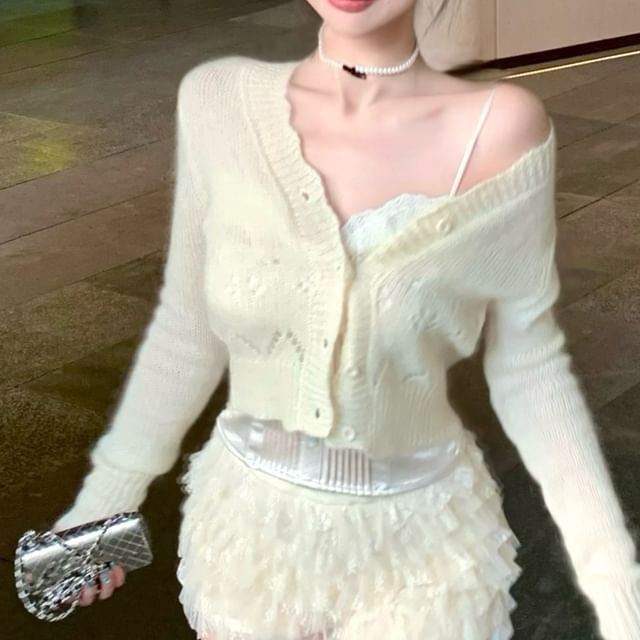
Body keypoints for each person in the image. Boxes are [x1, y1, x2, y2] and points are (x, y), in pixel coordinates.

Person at [52, 0, 640, 638]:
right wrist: (101, 506)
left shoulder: (502, 128)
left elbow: (528, 366)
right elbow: (186, 331)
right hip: (248, 543)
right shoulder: (218, 101)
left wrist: (617, 588)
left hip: (427, 550)